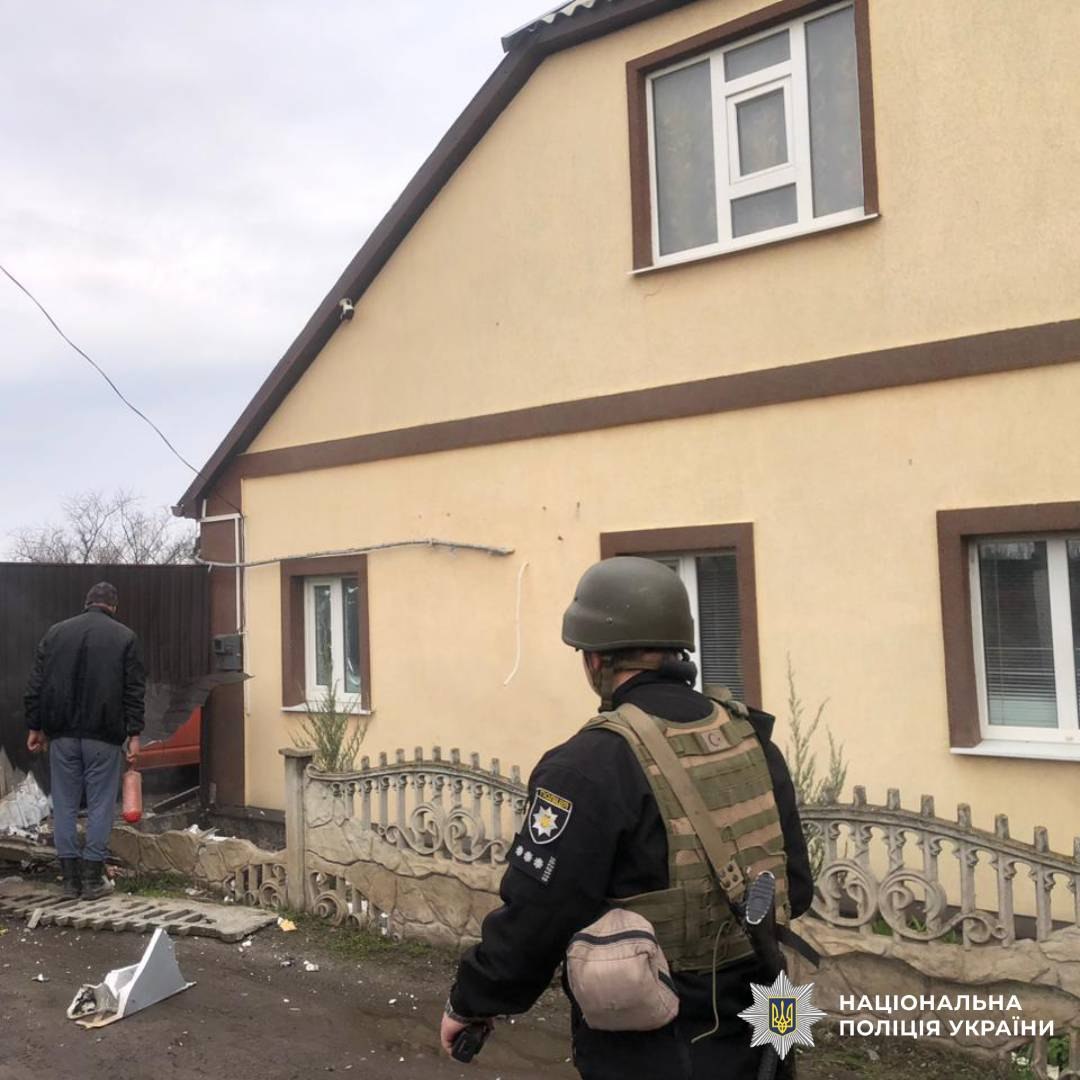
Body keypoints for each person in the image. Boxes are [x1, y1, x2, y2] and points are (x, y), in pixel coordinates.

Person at [440, 556, 813, 1078]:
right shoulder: (749, 737)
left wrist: (472, 1002)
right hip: (771, 1023)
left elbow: (538, 918)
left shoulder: (587, 765)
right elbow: (796, 886)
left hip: (661, 1043)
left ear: (595, 659)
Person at [24, 581, 145, 900]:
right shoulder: (125, 637)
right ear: (114, 607)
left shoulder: (55, 633)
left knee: (64, 803)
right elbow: (134, 691)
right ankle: (92, 879)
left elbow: (36, 683)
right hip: (104, 737)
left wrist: (35, 726)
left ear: (86, 602)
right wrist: (134, 734)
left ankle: (68, 880)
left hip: (61, 735)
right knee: (100, 804)